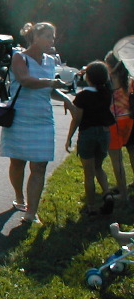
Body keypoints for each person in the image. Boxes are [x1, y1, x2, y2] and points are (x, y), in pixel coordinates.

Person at [0, 22, 73, 225]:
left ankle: (31, 212)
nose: (52, 40)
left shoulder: (50, 61)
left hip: (43, 118)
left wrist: (66, 99)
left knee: (39, 166)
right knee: (18, 162)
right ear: (35, 37)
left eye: (53, 36)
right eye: (48, 36)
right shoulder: (19, 57)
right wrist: (51, 83)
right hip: (20, 117)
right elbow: (25, 80)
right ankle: (19, 197)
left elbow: (48, 89)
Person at [65, 61, 116, 216]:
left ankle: (92, 207)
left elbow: (77, 119)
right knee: (98, 167)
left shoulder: (83, 96)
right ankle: (107, 193)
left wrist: (69, 138)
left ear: (89, 77)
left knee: (88, 173)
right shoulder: (108, 93)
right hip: (104, 133)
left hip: (88, 133)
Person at [104, 51, 134, 203]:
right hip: (130, 121)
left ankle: (123, 193)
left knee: (117, 160)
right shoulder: (129, 79)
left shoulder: (108, 81)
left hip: (113, 122)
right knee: (132, 153)